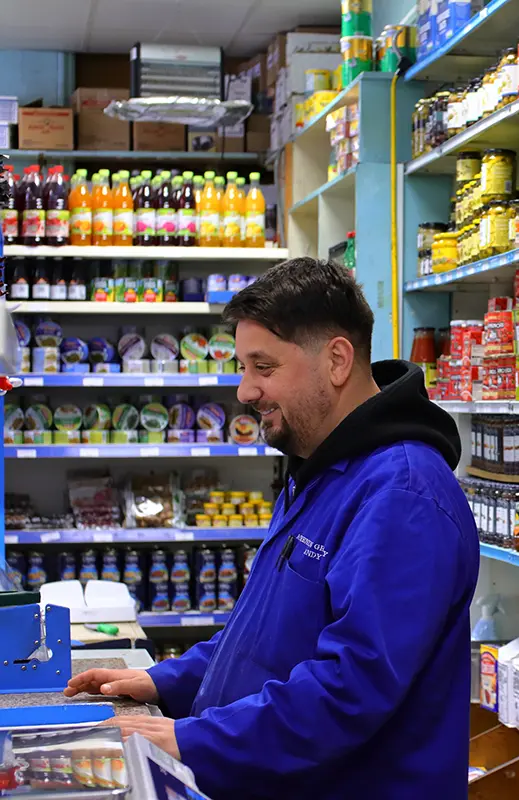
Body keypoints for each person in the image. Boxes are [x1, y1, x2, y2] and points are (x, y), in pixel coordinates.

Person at [66, 258, 479, 798]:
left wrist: (192, 739)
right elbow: (265, 639)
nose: (244, 391)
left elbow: (349, 689)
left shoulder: (402, 495)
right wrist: (167, 682)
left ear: (336, 360)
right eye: (243, 367)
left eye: (262, 367)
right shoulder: (321, 468)